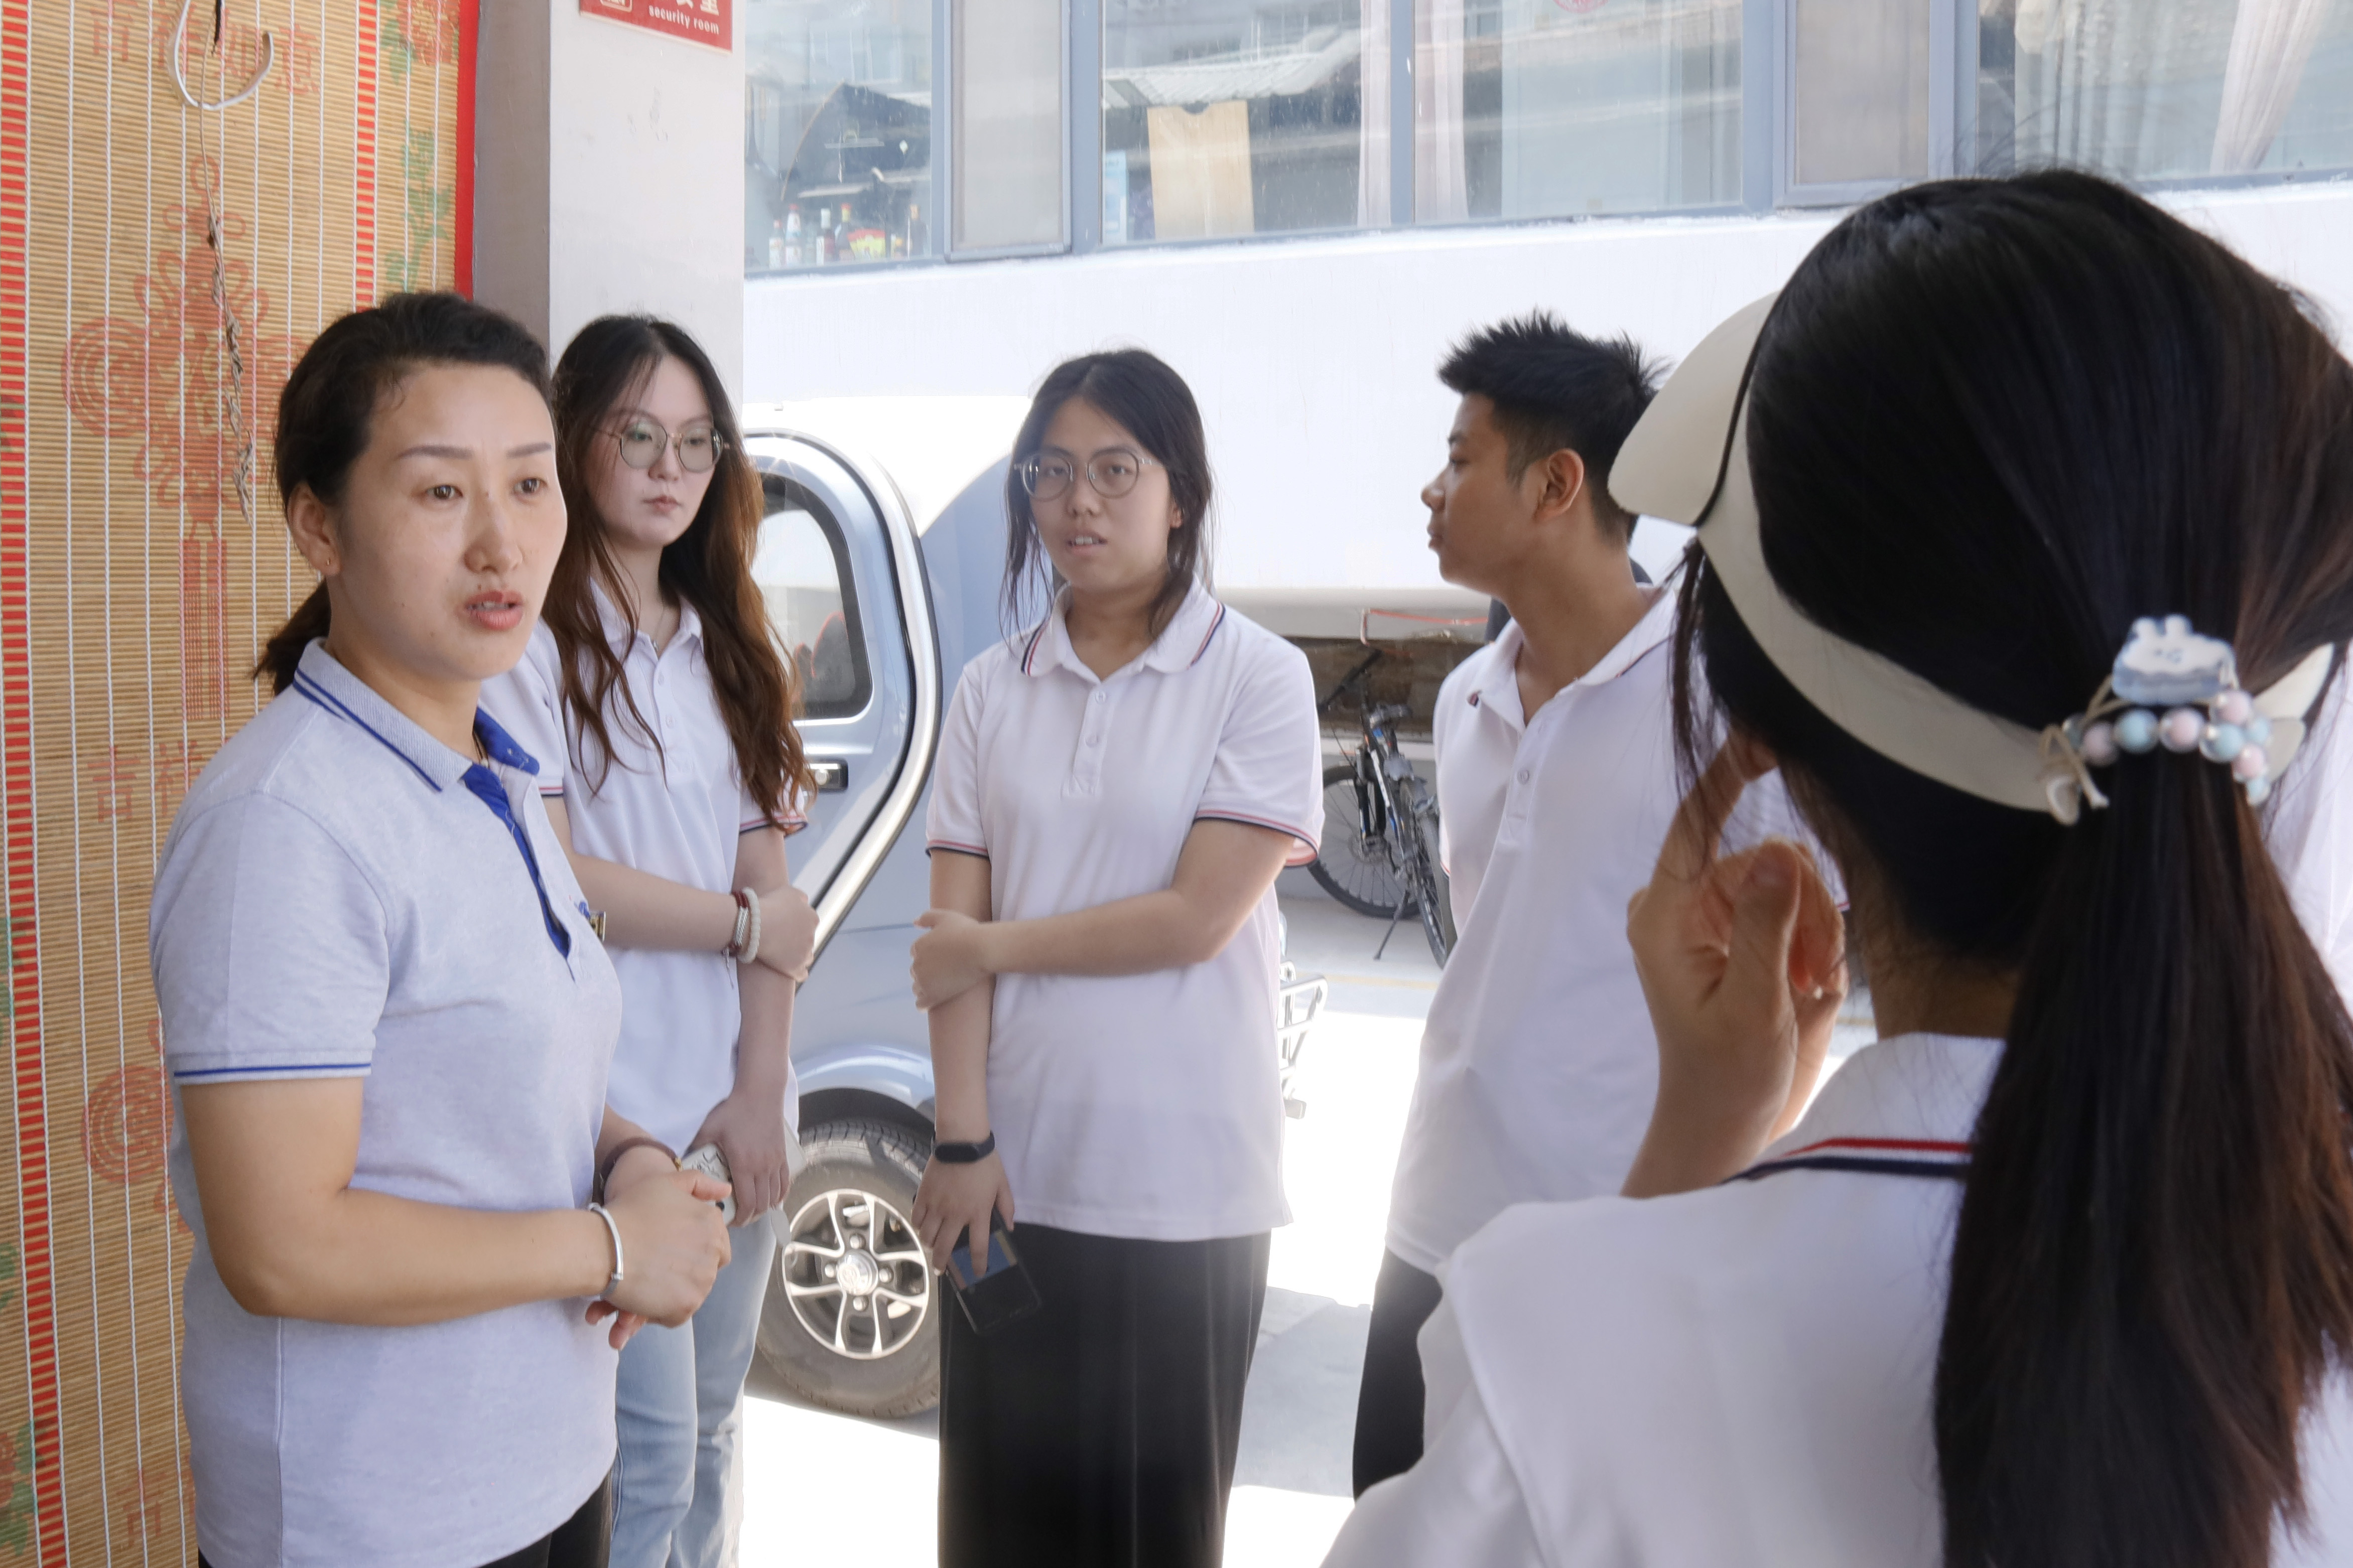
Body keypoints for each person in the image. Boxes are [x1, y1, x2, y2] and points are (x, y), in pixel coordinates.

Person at [1323, 171, 2353, 1567]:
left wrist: (1693, 1142)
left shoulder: (1554, 1360)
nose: (1431, 489)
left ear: (1784, 756)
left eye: (1462, 454)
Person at [151, 292, 734, 1568]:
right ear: (320, 525)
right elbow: (284, 1243)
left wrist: (633, 1157)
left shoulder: (494, 775)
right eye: (438, 493)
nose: (500, 543)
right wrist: (611, 1243)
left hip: (543, 1465)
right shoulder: (284, 823)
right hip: (383, 1516)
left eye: (529, 487)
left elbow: (502, 1088)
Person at [1351, 313, 1819, 1496]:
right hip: (1431, 1223)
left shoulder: (1723, 712)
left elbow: (1807, 991)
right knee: (1392, 1512)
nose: (1432, 485)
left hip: (1618, 1237)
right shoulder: (1464, 698)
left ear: (1556, 483)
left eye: (1460, 459)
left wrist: (1710, 1206)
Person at [904, 349, 1323, 1567]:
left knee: (1152, 1538)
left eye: (1114, 471)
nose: (1078, 502)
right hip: (1017, 1183)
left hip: (1184, 1187)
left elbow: (1195, 915)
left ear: (1180, 493)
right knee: (997, 1531)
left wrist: (998, 941)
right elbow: (947, 951)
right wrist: (964, 1139)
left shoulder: (1257, 674)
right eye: (1051, 473)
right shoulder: (991, 688)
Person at [480, 314, 819, 1568]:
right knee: (651, 1458)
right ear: (575, 444)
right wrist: (742, 923)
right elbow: (562, 878)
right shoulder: (530, 646)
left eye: (695, 441)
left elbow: (773, 882)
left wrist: (759, 1087)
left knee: (719, 1432)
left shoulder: (732, 643)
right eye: (638, 436)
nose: (671, 468)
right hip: (612, 1125)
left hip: (729, 1107)